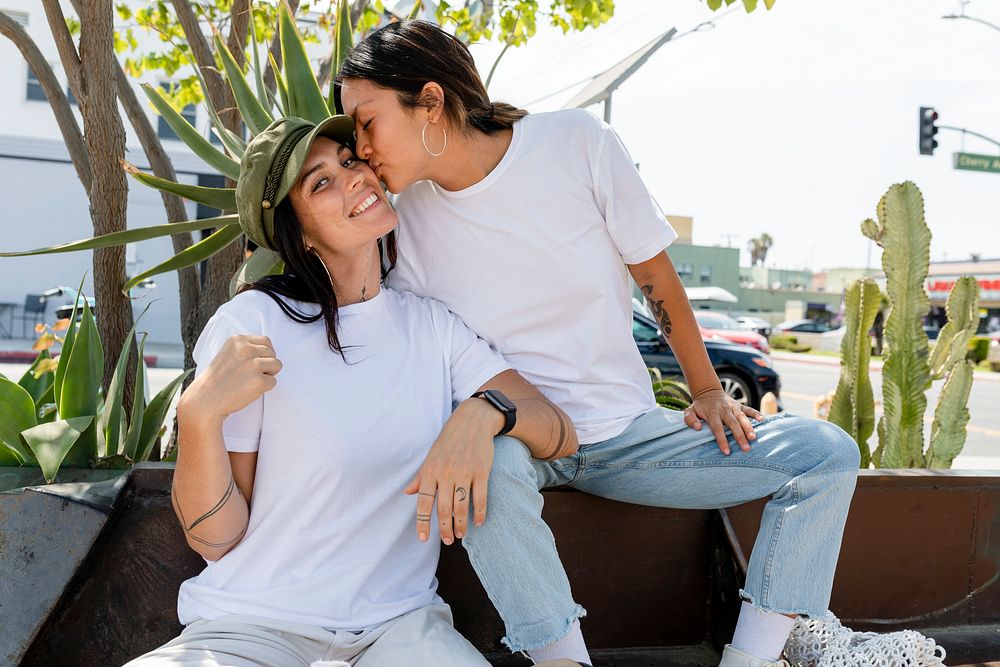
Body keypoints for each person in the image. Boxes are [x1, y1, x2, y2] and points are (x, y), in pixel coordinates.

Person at [335, 20, 861, 667]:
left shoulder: (574, 141)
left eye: (366, 122)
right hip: (515, 439)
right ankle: (563, 660)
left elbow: (654, 272)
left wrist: (704, 390)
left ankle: (751, 659)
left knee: (825, 452)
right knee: (492, 473)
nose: (359, 148)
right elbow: (406, 345)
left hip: (626, 435)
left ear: (432, 101)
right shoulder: (404, 218)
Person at [123, 115, 589, 667]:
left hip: (399, 630)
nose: (354, 179)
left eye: (349, 162)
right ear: (296, 232)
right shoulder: (254, 323)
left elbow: (558, 430)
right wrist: (197, 414)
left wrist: (484, 413)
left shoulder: (432, 328)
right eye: (320, 183)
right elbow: (216, 540)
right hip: (251, 628)